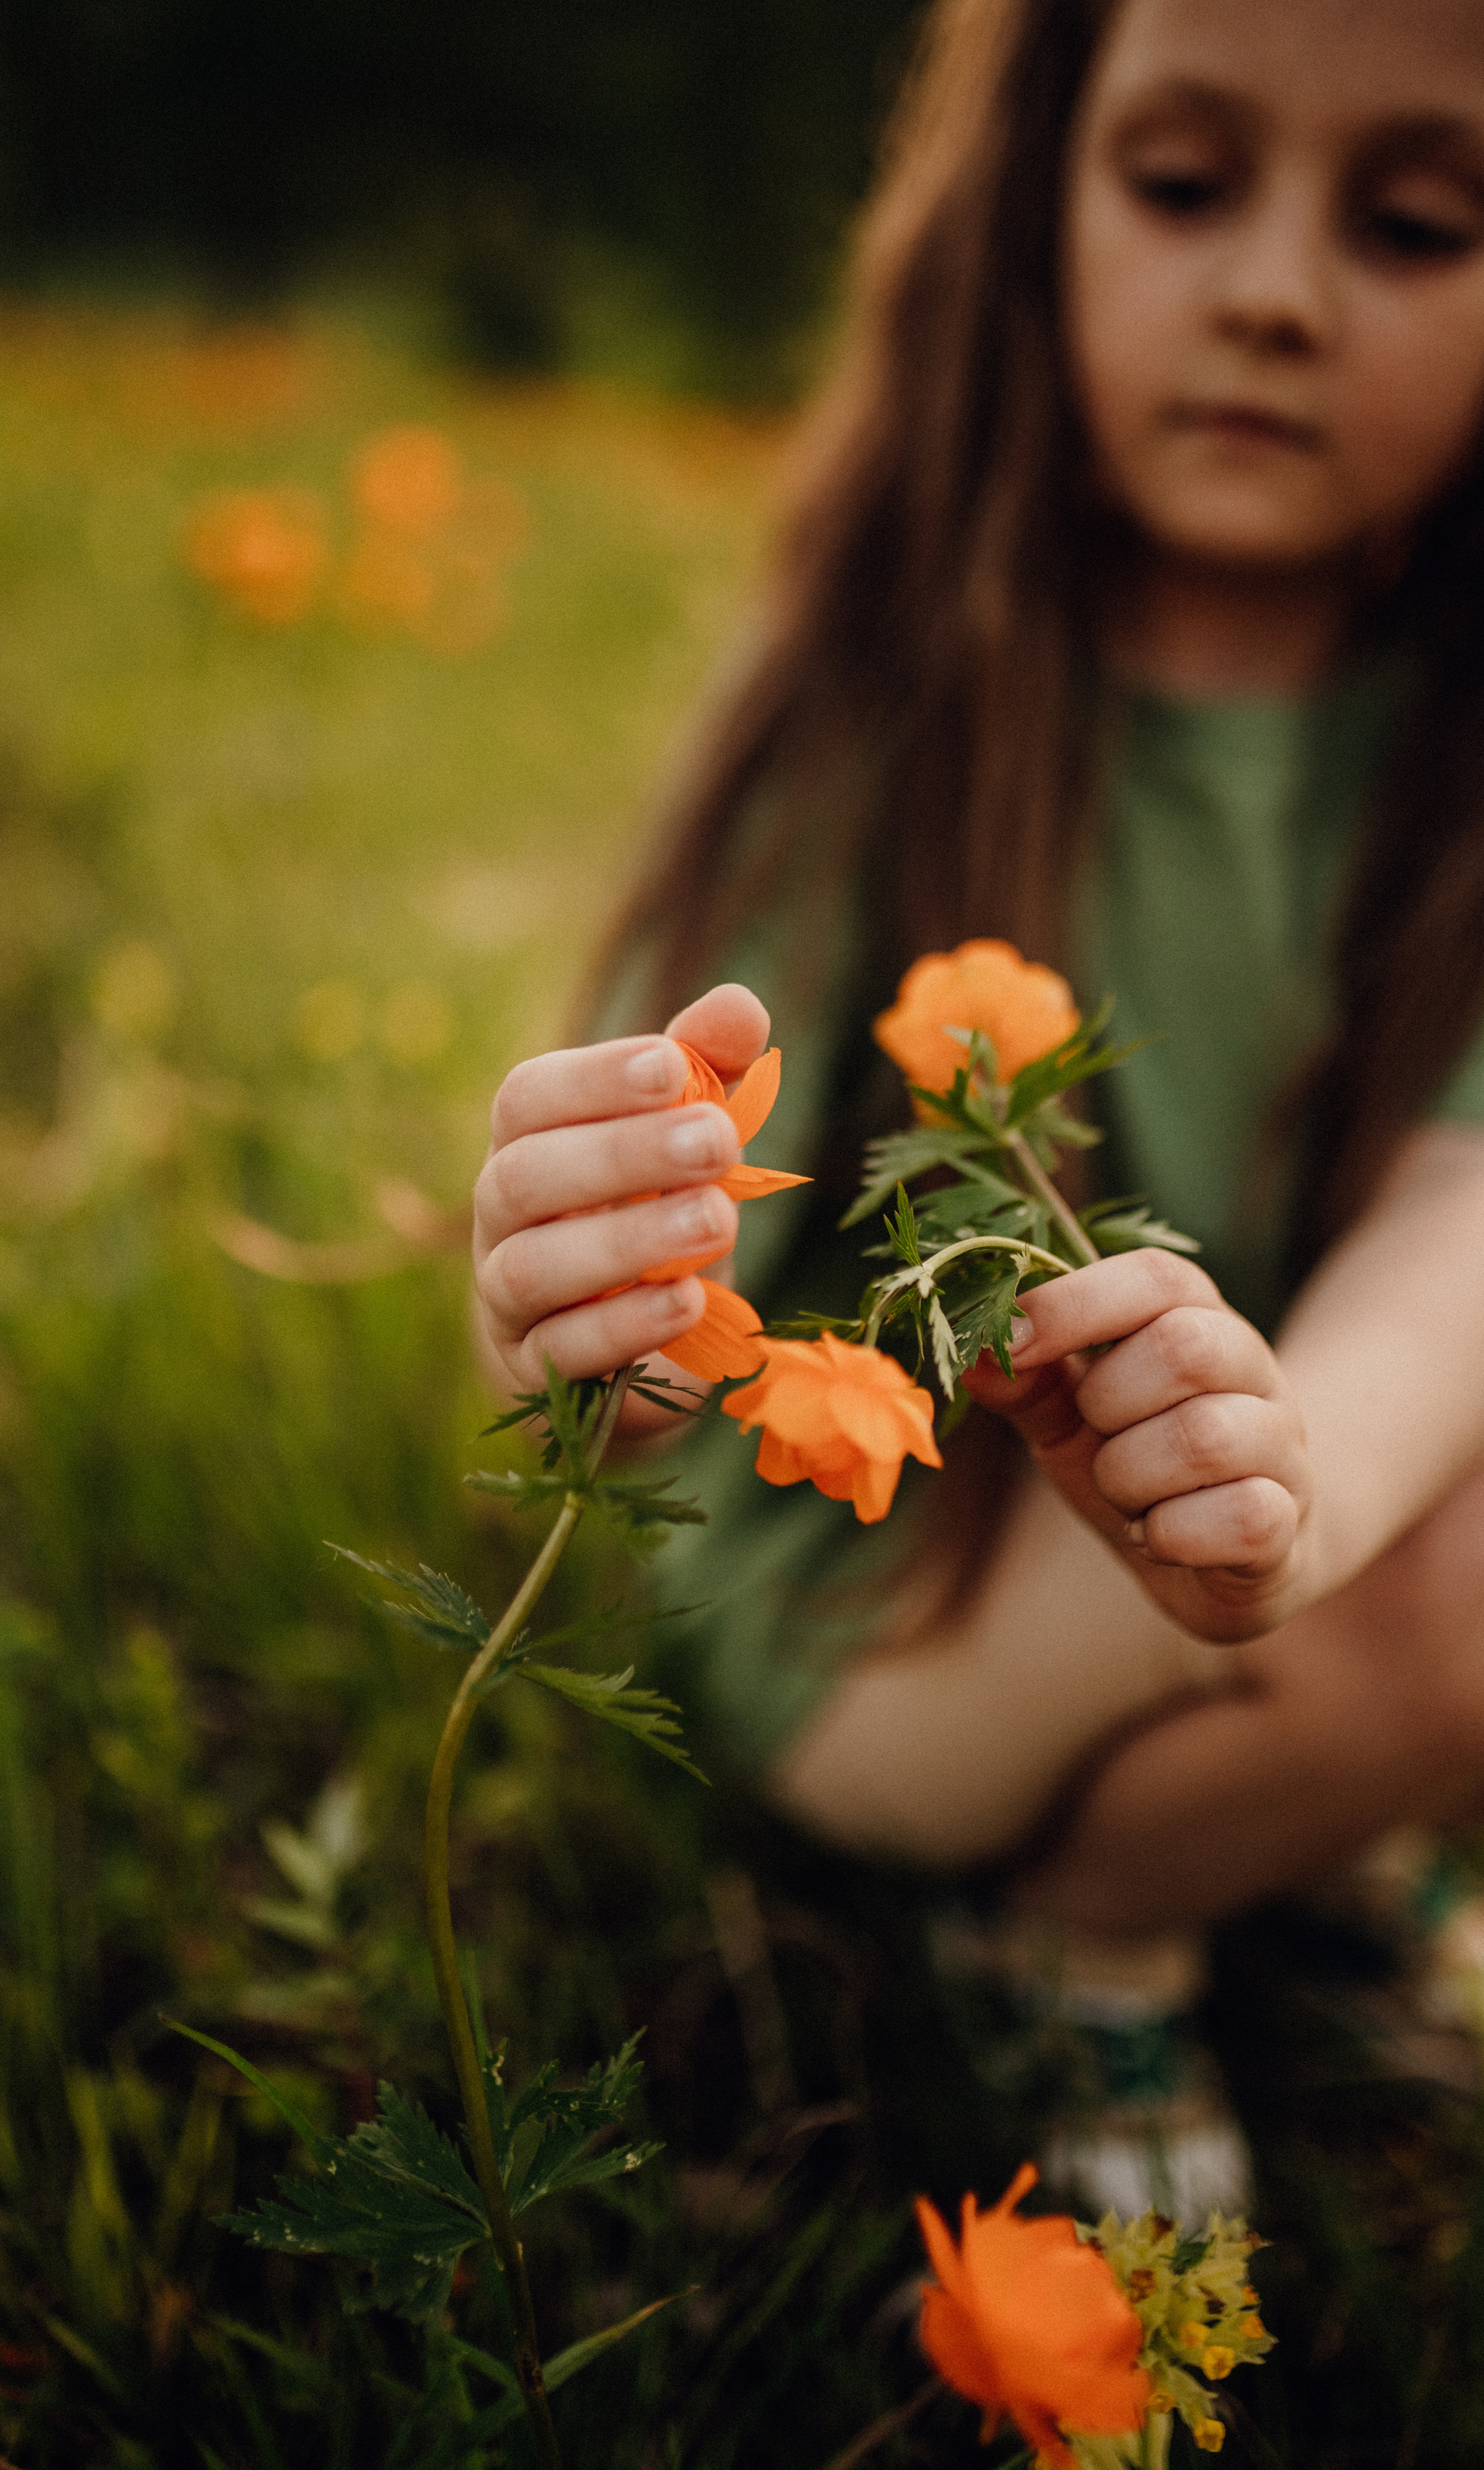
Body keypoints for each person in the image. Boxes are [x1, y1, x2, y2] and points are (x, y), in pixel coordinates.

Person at [470, 0, 1484, 2214]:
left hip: (1245, 1518)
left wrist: (1280, 1513)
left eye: (1416, 223)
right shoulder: (895, 690)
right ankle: (1082, 1934)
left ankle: (1285, 1814)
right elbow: (645, 1264)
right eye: (1185, 184)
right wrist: (584, 1291)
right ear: (1031, 200)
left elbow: (1464, 1240)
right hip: (884, 1611)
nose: (1277, 293)